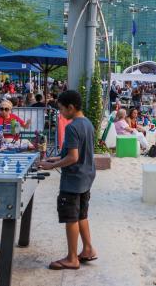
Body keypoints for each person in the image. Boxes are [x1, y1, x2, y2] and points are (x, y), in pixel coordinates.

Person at [38, 90, 97, 270]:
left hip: (73, 180)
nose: (61, 113)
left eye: (62, 109)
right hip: (86, 177)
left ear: (71, 107)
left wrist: (50, 166)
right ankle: (88, 249)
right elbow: (76, 153)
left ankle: (72, 258)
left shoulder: (72, 127)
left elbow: (72, 157)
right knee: (82, 215)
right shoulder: (87, 123)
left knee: (71, 217)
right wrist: (54, 159)